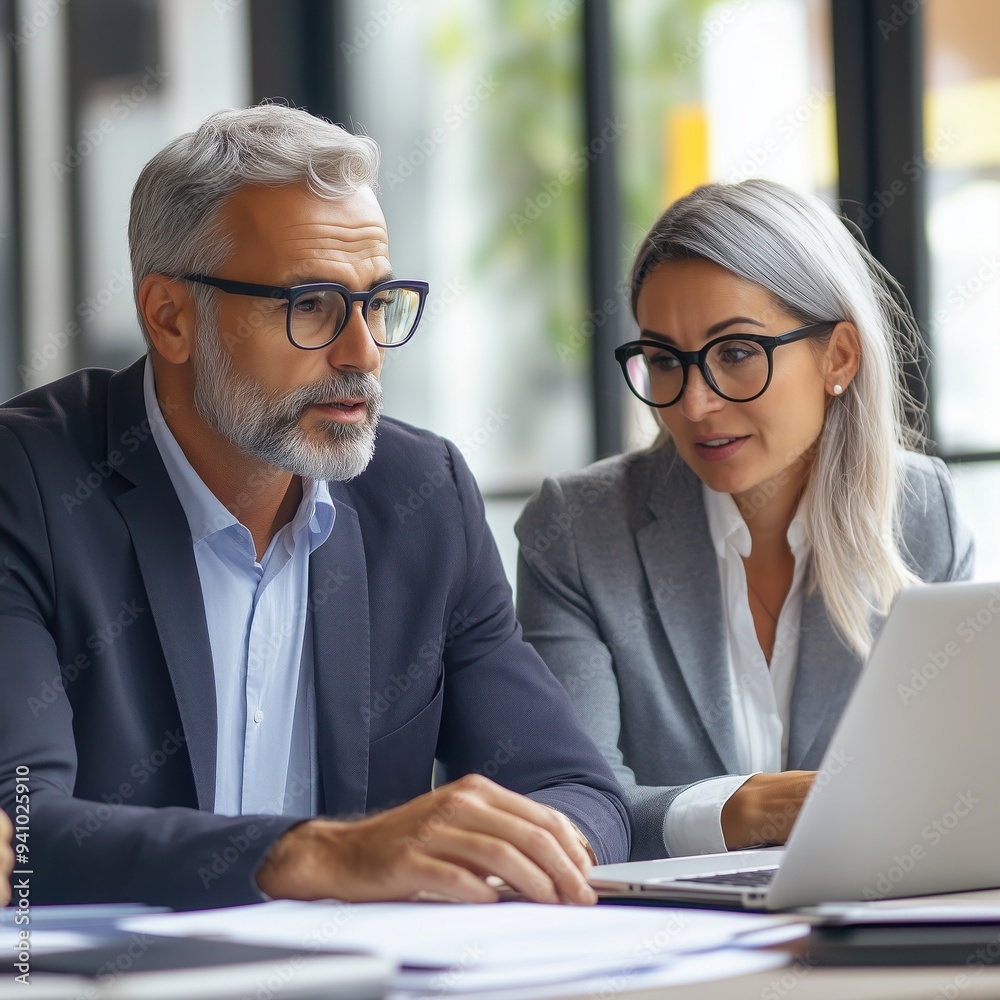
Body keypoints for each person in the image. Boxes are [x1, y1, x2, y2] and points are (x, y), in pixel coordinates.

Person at [0, 105, 630, 909]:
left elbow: (576, 789)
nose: (362, 352)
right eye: (310, 306)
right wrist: (317, 854)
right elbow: (20, 834)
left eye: (378, 302)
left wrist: (529, 849)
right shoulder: (27, 483)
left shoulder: (424, 494)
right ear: (170, 317)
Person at [515, 179, 973, 862]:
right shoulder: (579, 530)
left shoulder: (923, 513)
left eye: (734, 352)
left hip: (870, 907)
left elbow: (958, 784)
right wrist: (739, 811)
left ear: (839, 356)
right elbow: (569, 804)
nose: (694, 405)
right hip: (661, 921)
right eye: (664, 360)